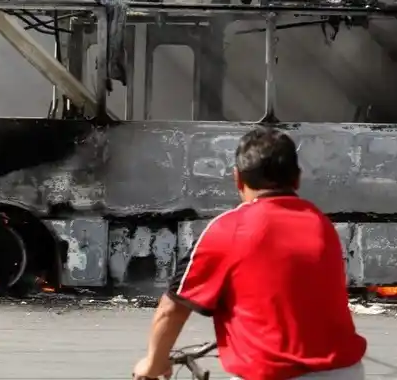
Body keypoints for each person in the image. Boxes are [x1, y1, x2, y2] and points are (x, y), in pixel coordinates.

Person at [132, 126, 367, 380]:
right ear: (297, 179)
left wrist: (153, 364)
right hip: (345, 371)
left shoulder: (229, 228)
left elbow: (172, 308)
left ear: (238, 179)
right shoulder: (321, 224)